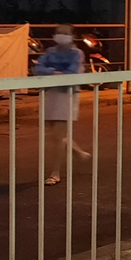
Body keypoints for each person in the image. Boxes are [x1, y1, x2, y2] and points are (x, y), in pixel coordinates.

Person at [34, 24, 91, 186]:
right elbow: (38, 68)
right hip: (50, 93)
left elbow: (72, 72)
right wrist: (55, 72)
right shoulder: (51, 51)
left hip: (67, 95)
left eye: (65, 33)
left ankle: (55, 173)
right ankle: (80, 154)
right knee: (56, 134)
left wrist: (51, 71)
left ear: (73, 36)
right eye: (59, 32)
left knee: (58, 137)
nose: (61, 35)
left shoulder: (76, 53)